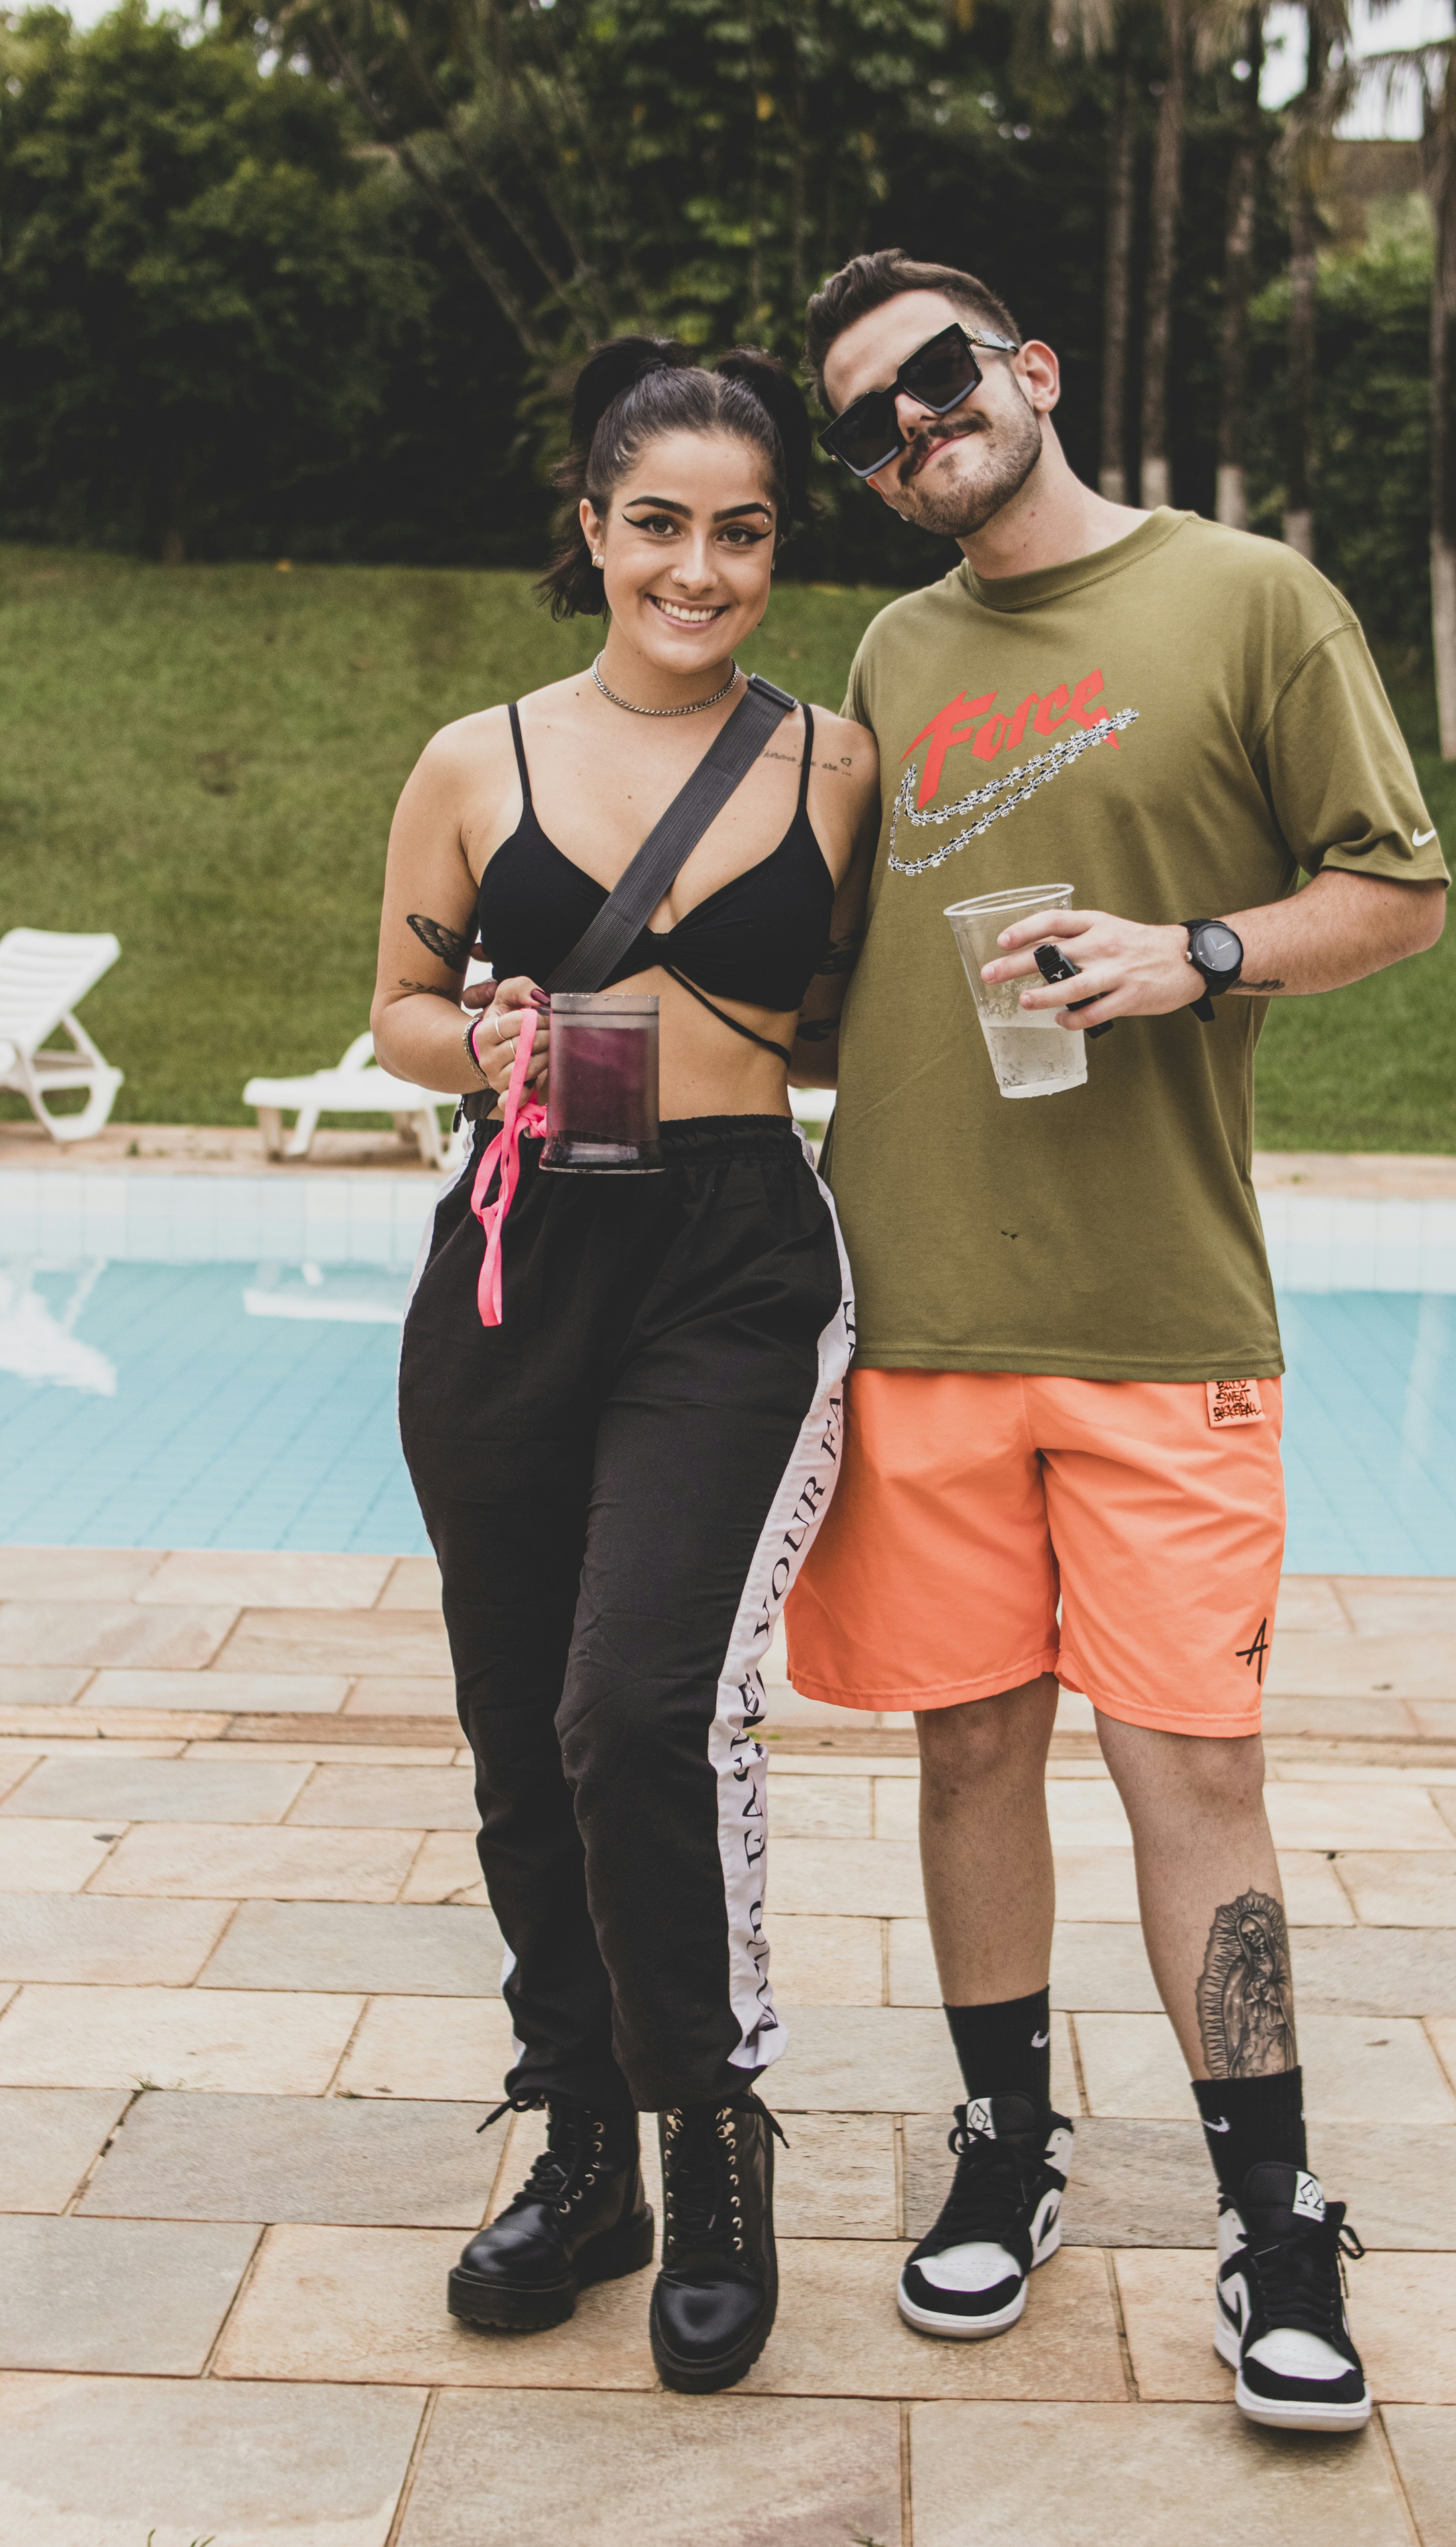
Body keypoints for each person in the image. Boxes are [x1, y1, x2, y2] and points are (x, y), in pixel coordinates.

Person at [784, 250, 1448, 2432]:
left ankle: (1275, 2213)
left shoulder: (1253, 600)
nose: (914, 427)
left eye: (941, 377)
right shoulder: (893, 647)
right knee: (968, 1750)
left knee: (1194, 1773)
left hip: (1165, 1318)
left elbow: (1403, 885)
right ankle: (1008, 2141)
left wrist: (1203, 951)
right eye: (870, 420)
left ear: (1034, 372)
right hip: (924, 1317)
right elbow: (822, 963)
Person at [372, 337, 876, 2393]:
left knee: (633, 1709)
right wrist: (477, 1041)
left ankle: (712, 2141)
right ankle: (583, 2152)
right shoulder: (471, 757)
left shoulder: (834, 761)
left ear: (774, 548)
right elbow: (399, 1006)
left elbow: (847, 1030)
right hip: (513, 1268)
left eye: (739, 531)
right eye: (656, 523)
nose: (697, 566)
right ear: (590, 529)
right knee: (517, 1730)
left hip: (733, 1264)